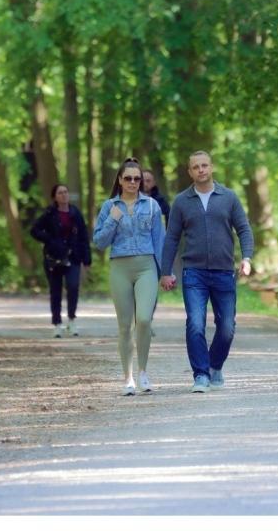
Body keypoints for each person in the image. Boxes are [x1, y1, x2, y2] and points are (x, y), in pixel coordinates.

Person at [160, 151, 254, 393]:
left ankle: (215, 365)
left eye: (204, 165)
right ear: (190, 172)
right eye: (195, 167)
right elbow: (171, 238)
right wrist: (166, 270)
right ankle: (201, 375)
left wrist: (246, 258)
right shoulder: (182, 201)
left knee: (227, 327)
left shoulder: (228, 197)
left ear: (211, 168)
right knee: (195, 323)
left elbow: (243, 229)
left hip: (224, 272)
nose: (201, 170)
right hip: (194, 273)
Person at [93, 158, 165, 396]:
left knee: (144, 319)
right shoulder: (108, 206)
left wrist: (166, 272)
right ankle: (128, 378)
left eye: (137, 179)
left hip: (146, 267)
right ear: (120, 180)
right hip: (119, 268)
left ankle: (143, 372)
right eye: (128, 178)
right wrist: (113, 219)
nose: (133, 182)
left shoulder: (152, 206)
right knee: (125, 326)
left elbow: (160, 241)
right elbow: (100, 242)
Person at [31, 184, 92, 338]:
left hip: (73, 256)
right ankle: (57, 323)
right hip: (54, 257)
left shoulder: (75, 212)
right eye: (60, 193)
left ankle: (71, 320)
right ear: (55, 196)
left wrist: (87, 259)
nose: (64, 195)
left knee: (73, 286)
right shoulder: (49, 213)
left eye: (66, 192)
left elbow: (83, 236)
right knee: (55, 290)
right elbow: (34, 230)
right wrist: (49, 240)